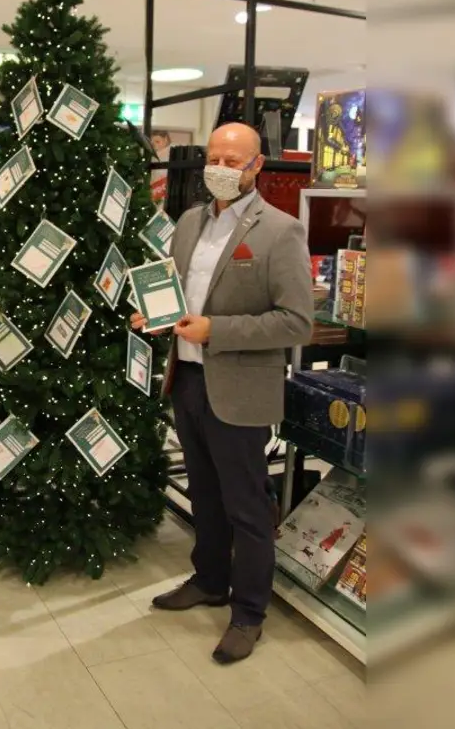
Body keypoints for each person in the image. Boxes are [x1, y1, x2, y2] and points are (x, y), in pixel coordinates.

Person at [133, 123, 313, 665]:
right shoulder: (188, 221)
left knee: (246, 505)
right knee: (204, 495)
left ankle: (250, 611)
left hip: (239, 390)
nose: (221, 168)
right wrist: (161, 317)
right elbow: (182, 292)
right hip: (186, 380)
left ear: (258, 166)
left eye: (233, 160)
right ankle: (209, 579)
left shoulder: (280, 231)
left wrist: (218, 330)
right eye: (214, 157)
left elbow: (296, 322)